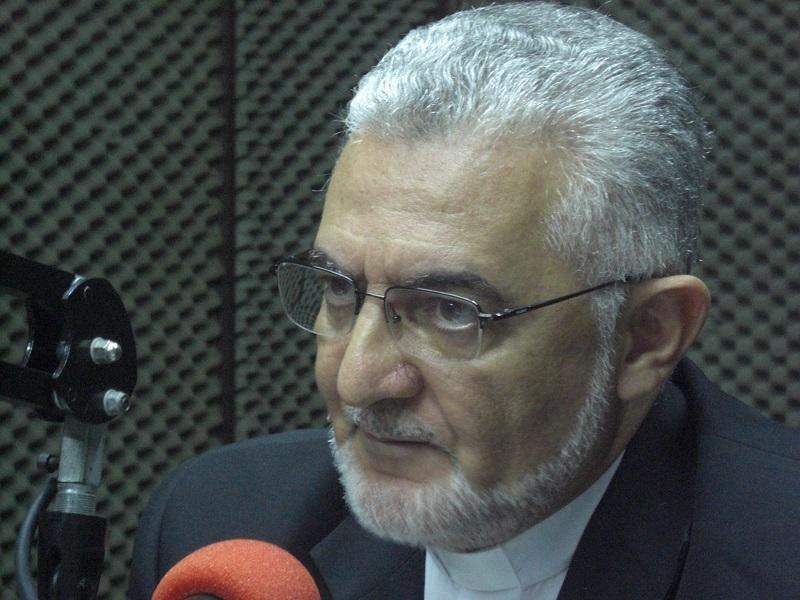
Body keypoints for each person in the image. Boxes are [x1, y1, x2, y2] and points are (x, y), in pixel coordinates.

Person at [128, 2, 800, 599]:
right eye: (339, 289)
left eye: (450, 311)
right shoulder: (221, 527)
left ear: (645, 335)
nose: (358, 380)